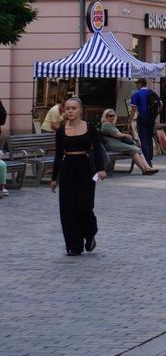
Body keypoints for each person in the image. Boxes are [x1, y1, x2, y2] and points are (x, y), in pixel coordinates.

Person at [50, 97, 107, 255]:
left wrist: (101, 169)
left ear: (80, 110)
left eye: (73, 108)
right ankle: (74, 245)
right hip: (68, 168)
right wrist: (54, 178)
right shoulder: (61, 130)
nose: (70, 111)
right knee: (67, 208)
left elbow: (97, 149)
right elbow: (58, 155)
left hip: (85, 168)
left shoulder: (90, 128)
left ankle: (90, 234)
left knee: (84, 206)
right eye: (67, 108)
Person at [98, 109, 157, 174]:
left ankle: (147, 167)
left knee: (136, 149)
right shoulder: (106, 125)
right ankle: (144, 170)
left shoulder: (110, 125)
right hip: (111, 144)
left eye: (113, 115)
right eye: (110, 115)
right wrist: (128, 135)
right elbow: (118, 135)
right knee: (133, 149)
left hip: (116, 143)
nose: (112, 117)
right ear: (105, 116)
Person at [129, 79, 160, 165]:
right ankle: (150, 155)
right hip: (151, 118)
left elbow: (133, 109)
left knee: (143, 139)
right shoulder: (152, 92)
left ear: (140, 84)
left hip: (142, 117)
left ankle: (147, 162)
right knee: (149, 137)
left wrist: (130, 119)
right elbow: (160, 104)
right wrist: (155, 114)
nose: (136, 85)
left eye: (136, 83)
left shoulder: (137, 94)